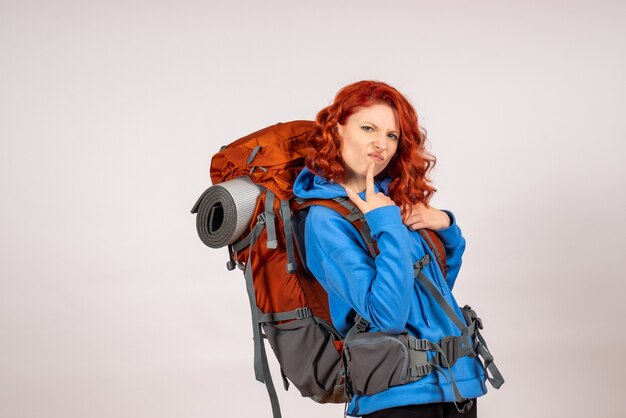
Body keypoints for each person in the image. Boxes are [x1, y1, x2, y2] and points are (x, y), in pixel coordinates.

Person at [292, 80, 487, 417]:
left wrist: (446, 226)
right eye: (368, 128)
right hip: (396, 397)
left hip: (457, 386)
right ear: (338, 130)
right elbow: (388, 316)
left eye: (391, 135)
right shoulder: (325, 220)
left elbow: (438, 288)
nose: (380, 143)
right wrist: (387, 223)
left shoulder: (391, 200)